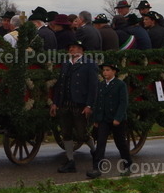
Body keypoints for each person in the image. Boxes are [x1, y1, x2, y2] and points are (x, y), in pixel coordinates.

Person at [49, 40, 98, 173]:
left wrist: (89, 105)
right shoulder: (66, 63)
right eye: (70, 47)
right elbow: (60, 85)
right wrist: (55, 103)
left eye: (75, 47)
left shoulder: (89, 64)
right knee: (66, 133)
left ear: (82, 50)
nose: (72, 49)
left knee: (82, 134)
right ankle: (70, 161)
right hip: (65, 104)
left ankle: (95, 152)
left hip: (80, 105)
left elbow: (93, 87)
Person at [87, 62, 132, 178]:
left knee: (121, 143)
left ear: (114, 72)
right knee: (100, 144)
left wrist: (118, 118)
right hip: (103, 119)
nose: (105, 72)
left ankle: (128, 166)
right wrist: (96, 119)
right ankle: (97, 168)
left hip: (116, 120)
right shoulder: (101, 85)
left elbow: (123, 103)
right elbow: (98, 103)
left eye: (107, 70)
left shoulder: (120, 85)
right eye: (104, 70)